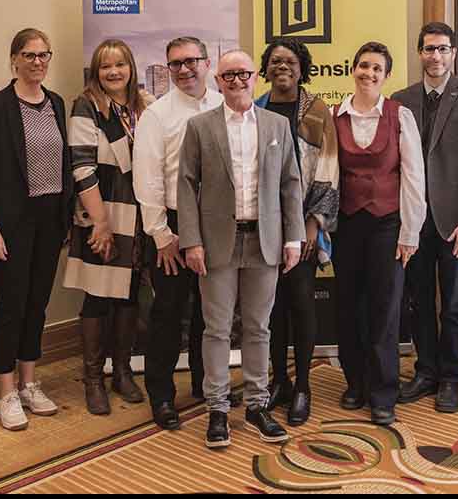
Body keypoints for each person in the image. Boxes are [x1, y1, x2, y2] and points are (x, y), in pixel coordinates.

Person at [177, 50, 305, 449]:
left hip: (264, 241)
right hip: (216, 242)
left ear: (256, 77)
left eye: (243, 74)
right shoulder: (199, 127)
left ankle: (256, 404)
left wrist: (293, 237)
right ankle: (217, 409)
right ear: (218, 80)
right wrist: (191, 240)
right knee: (215, 329)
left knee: (258, 327)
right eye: (228, 75)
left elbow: (290, 184)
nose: (237, 81)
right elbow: (185, 184)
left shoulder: (277, 126)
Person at [0, 29, 74, 431]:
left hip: (50, 220)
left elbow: (62, 162)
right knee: (11, 303)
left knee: (37, 302)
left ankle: (30, 382)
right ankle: (7, 391)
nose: (37, 62)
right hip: (9, 222)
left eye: (44, 54)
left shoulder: (56, 103)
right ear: (14, 59)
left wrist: (67, 218)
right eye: (29, 55)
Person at [394, 22, 458, 414]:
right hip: (414, 222)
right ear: (419, 53)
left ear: (453, 53)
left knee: (453, 304)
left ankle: (451, 377)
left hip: (456, 224)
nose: (435, 56)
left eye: (442, 49)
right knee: (417, 300)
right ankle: (426, 371)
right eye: (428, 49)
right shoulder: (401, 100)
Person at [133, 37, 226, 431]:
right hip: (170, 225)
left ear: (207, 63)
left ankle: (207, 387)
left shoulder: (225, 106)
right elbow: (148, 178)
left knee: (212, 314)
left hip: (217, 224)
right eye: (175, 64)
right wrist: (161, 234)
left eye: (191, 61)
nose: (184, 70)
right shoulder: (158, 114)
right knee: (168, 315)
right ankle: (162, 396)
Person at [331, 42, 426, 426]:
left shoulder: (400, 115)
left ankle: (384, 392)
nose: (368, 73)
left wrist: (411, 232)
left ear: (386, 76)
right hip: (347, 223)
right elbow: (326, 173)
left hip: (389, 224)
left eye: (376, 69)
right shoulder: (335, 115)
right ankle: (355, 383)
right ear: (353, 70)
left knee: (385, 310)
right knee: (348, 306)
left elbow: (413, 176)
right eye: (363, 66)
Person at [64, 39, 153, 415]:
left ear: (131, 68)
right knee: (98, 296)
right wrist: (100, 223)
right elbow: (82, 167)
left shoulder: (144, 107)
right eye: (105, 66)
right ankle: (93, 379)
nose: (113, 72)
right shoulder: (87, 105)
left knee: (130, 294)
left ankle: (121, 371)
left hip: (139, 216)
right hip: (102, 213)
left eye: (120, 65)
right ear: (96, 72)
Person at [255, 38, 339, 426]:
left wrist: (312, 224)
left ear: (302, 68)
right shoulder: (256, 109)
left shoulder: (318, 111)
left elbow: (329, 168)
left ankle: (303, 385)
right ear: (266, 69)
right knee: (271, 310)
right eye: (275, 61)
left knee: (303, 306)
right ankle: (280, 382)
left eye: (289, 61)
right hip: (263, 226)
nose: (281, 66)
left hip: (302, 226)